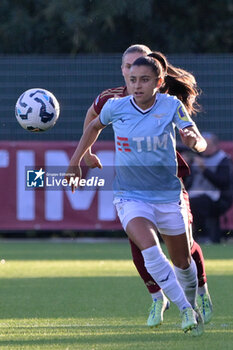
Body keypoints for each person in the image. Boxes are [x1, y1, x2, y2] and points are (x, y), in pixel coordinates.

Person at [66, 54, 208, 335]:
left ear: (159, 82)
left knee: (182, 262)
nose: (137, 85)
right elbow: (93, 127)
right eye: (132, 80)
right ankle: (184, 310)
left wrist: (196, 142)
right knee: (150, 252)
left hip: (168, 197)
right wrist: (75, 162)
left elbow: (194, 134)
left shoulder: (170, 105)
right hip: (130, 196)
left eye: (144, 80)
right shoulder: (116, 106)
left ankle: (193, 299)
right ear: (126, 80)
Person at [185, 132, 233, 243]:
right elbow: (187, 181)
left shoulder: (223, 160)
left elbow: (223, 183)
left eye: (207, 146)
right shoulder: (196, 158)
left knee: (197, 203)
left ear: (215, 146)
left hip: (216, 198)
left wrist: (205, 170)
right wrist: (186, 164)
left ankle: (204, 236)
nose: (204, 149)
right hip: (194, 194)